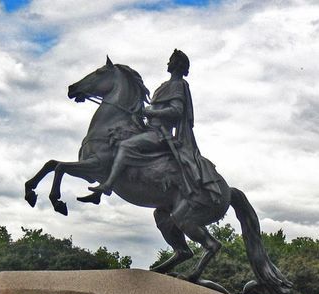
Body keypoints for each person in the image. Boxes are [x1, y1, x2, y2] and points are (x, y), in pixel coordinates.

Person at [79, 49, 222, 206]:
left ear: (177, 65)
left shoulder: (177, 85)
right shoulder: (165, 85)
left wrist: (150, 112)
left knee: (126, 145)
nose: (168, 63)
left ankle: (108, 185)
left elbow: (176, 111)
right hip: (150, 129)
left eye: (171, 61)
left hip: (160, 133)